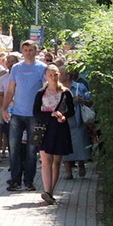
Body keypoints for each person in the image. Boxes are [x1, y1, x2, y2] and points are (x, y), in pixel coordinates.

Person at [2, 41, 47, 192]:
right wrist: (4, 107)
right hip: (17, 113)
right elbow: (10, 90)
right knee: (13, 148)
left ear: (35, 51)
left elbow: (45, 91)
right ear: (22, 52)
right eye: (25, 50)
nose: (28, 52)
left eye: (31, 50)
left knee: (31, 149)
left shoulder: (42, 68)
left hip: (34, 115)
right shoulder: (16, 68)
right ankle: (15, 180)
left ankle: (29, 180)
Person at [34, 65, 75, 204]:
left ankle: (50, 191)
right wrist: (49, 114)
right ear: (45, 75)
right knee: (46, 161)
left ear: (59, 75)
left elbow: (72, 111)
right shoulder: (41, 92)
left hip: (60, 128)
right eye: (50, 74)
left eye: (55, 74)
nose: (53, 77)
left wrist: (63, 116)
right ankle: (47, 191)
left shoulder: (66, 92)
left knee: (56, 162)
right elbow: (36, 112)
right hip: (45, 128)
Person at [59, 65, 92, 179]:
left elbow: (90, 101)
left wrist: (81, 100)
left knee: (80, 144)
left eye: (60, 74)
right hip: (62, 120)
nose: (58, 76)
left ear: (67, 76)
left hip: (77, 119)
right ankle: (68, 171)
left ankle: (81, 164)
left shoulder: (80, 86)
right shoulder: (57, 88)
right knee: (64, 144)